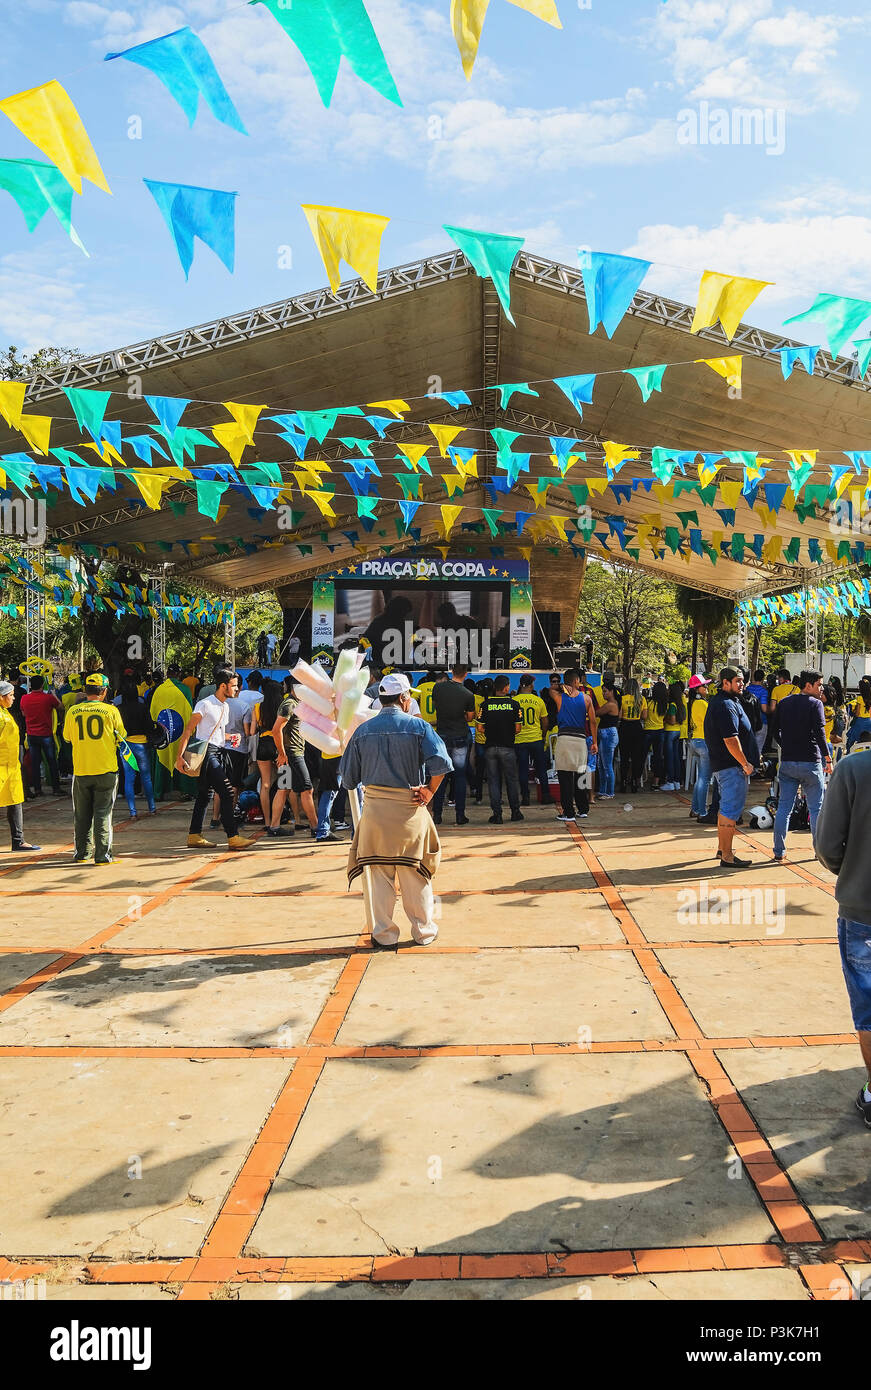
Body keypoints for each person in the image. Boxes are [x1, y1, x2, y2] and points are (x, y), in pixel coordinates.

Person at [339, 672, 450, 947]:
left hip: (375, 812)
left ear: (381, 698)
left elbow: (349, 779)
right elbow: (442, 763)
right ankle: (423, 932)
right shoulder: (419, 727)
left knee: (380, 877)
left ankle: (384, 935)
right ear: (403, 698)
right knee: (415, 874)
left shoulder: (362, 731)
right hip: (409, 810)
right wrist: (430, 791)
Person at [814, 743, 871, 1128]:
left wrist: (853, 873)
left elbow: (827, 846)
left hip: (862, 910)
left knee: (869, 1009)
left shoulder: (853, 770)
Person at [176, 667, 253, 851]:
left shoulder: (225, 706)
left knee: (205, 794)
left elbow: (219, 733)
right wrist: (180, 756)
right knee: (227, 792)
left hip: (220, 750)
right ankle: (233, 836)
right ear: (222, 686)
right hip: (207, 753)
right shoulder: (204, 704)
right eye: (234, 686)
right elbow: (189, 730)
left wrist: (231, 738)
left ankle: (194, 835)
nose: (237, 689)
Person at [63, 673, 127, 865]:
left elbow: (67, 737)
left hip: (81, 770)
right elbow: (121, 737)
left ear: (85, 690)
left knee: (81, 815)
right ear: (104, 691)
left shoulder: (73, 711)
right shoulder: (111, 711)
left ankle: (82, 854)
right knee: (103, 813)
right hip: (106, 769)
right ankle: (102, 855)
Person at [769, 670, 831, 863]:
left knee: (784, 809)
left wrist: (785, 744)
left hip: (787, 763)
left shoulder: (785, 702)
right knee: (816, 809)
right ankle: (818, 851)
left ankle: (779, 851)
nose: (821, 688)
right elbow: (820, 735)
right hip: (811, 763)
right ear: (808, 685)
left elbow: (773, 730)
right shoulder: (816, 704)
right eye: (819, 685)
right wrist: (827, 759)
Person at [703, 667, 760, 868]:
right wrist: (745, 764)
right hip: (732, 767)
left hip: (728, 766)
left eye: (743, 680)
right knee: (730, 810)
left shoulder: (728, 702)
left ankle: (722, 849)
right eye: (737, 681)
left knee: (726, 810)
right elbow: (730, 739)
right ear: (725, 683)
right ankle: (727, 855)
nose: (741, 684)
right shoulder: (725, 705)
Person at [272, 678, 319, 838]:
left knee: (283, 789)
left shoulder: (294, 703)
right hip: (292, 754)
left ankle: (274, 827)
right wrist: (282, 753)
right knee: (307, 789)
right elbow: (276, 729)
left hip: (290, 753)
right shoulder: (290, 704)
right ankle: (316, 828)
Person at [431, 664, 476, 825]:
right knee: (460, 776)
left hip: (441, 735)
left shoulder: (438, 689)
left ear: (452, 672)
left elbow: (437, 707)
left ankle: (437, 814)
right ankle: (460, 815)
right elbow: (470, 718)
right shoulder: (468, 694)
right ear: (466, 674)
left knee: (440, 775)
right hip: (460, 736)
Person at [550, 668, 596, 822]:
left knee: (565, 777)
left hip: (564, 739)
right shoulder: (586, 699)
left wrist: (562, 686)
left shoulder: (558, 697)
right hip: (581, 740)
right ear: (577, 681)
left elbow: (551, 689)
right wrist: (594, 742)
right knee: (581, 775)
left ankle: (569, 813)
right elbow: (593, 722)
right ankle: (583, 809)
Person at [477, 674, 523, 825]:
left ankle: (497, 815)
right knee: (511, 781)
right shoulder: (514, 705)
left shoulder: (485, 705)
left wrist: (491, 731)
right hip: (508, 748)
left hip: (490, 748)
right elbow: (518, 729)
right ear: (506, 687)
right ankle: (515, 812)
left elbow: (479, 727)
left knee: (494, 782)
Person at [0, 680, 39, 852]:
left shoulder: (5, 713)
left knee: (15, 802)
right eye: (10, 695)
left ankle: (18, 840)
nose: (14, 698)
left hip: (12, 767)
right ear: (1, 698)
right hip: (2, 767)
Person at [115, 675, 157, 819]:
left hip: (125, 746)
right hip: (142, 745)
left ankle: (133, 812)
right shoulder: (143, 707)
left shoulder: (118, 709)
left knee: (129, 778)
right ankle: (152, 808)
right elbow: (150, 726)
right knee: (146, 778)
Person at [20, 674, 63, 797]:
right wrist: (54, 695)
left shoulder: (24, 698)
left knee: (35, 763)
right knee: (52, 762)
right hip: (46, 734)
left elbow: (23, 713)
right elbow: (60, 707)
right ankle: (56, 788)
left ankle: (38, 789)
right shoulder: (48, 698)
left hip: (31, 735)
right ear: (42, 685)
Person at [514, 673, 550, 806]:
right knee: (541, 768)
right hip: (535, 738)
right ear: (530, 685)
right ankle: (545, 795)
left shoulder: (514, 700)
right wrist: (542, 734)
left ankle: (525, 797)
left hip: (519, 740)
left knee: (522, 769)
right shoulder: (538, 700)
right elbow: (545, 721)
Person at [253, 678, 284, 827]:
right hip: (279, 746)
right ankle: (289, 819)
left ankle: (266, 822)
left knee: (265, 785)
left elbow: (252, 731)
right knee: (285, 783)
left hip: (263, 746)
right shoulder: (282, 707)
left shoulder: (257, 707)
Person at [687, 675, 712, 819]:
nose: (707, 687)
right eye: (704, 686)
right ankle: (702, 811)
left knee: (700, 778)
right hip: (704, 741)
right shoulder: (702, 704)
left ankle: (695, 808)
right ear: (697, 689)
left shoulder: (693, 703)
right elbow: (710, 723)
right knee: (704, 779)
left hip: (695, 741)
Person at [618, 678, 646, 793]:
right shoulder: (641, 699)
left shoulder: (622, 699)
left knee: (624, 757)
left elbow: (619, 716)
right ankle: (635, 781)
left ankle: (624, 782)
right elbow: (644, 716)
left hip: (624, 727)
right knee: (636, 757)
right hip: (637, 727)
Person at [595, 673, 620, 798]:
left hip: (608, 734)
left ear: (611, 691)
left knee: (606, 764)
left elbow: (596, 713)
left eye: (605, 692)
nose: (603, 694)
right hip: (608, 734)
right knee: (602, 764)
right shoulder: (614, 703)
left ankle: (609, 791)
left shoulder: (610, 705)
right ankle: (603, 790)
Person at [643, 680, 669, 790]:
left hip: (648, 731)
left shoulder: (649, 702)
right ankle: (656, 782)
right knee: (658, 757)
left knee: (642, 755)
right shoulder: (665, 705)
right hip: (660, 731)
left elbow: (644, 716)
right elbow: (665, 719)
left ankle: (637, 779)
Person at [661, 679, 685, 792]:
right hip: (678, 732)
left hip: (670, 731)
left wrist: (665, 719)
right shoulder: (680, 704)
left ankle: (670, 781)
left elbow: (672, 721)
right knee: (676, 758)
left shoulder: (672, 705)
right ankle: (677, 781)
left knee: (670, 758)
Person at [746, 668, 770, 757]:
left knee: (748, 748)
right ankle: (756, 768)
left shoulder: (747, 689)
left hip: (748, 722)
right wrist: (771, 710)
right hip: (761, 721)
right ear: (763, 679)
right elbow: (764, 708)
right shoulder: (763, 691)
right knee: (758, 749)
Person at [846, 676, 871, 750]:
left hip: (860, 722)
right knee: (866, 739)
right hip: (868, 721)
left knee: (851, 740)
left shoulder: (859, 699)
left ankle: (848, 753)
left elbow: (857, 713)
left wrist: (853, 712)